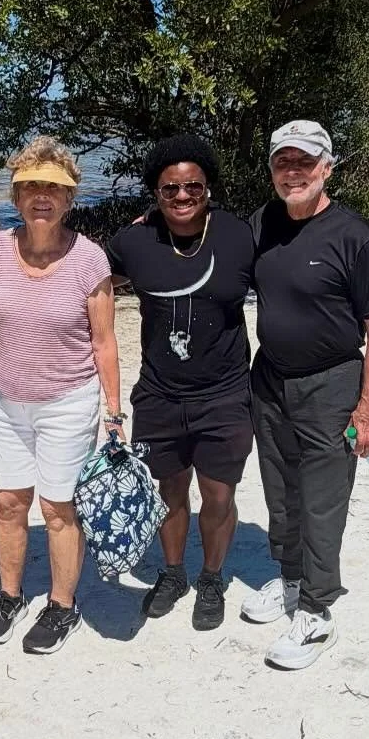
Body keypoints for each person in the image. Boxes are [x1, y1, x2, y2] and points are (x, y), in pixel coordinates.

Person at [242, 119, 369, 669]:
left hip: (331, 384)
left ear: (327, 167)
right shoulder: (263, 224)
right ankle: (288, 580)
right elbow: (211, 252)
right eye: (283, 162)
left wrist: (367, 412)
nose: (293, 172)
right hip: (270, 380)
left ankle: (317, 610)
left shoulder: (354, 236)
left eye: (304, 162)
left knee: (322, 500)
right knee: (280, 493)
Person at [0, 138, 124, 656]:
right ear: (15, 196)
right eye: (32, 186)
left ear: (69, 198)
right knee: (7, 500)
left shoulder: (88, 259)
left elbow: (105, 342)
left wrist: (114, 413)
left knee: (58, 506)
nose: (43, 196)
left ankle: (63, 605)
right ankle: (9, 595)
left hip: (69, 399)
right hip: (7, 396)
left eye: (54, 188)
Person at [106, 135, 256, 630]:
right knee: (169, 491)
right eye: (170, 189)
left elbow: (288, 281)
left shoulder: (239, 235)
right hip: (159, 393)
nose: (182, 196)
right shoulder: (133, 241)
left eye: (193, 186)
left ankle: (211, 577)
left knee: (218, 494)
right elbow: (81, 282)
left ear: (208, 187)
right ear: (155, 192)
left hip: (225, 393)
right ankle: (172, 573)